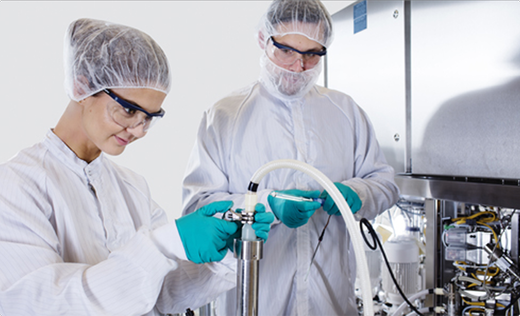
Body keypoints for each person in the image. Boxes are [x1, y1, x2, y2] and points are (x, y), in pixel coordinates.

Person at [0, 18, 273, 316]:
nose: (139, 130)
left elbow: (162, 295)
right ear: (82, 85)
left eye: (149, 117)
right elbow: (46, 306)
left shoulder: (132, 187)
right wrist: (165, 244)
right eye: (129, 110)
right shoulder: (15, 185)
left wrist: (225, 256)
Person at [181, 0, 400, 315]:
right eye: (286, 51)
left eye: (312, 54)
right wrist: (269, 204)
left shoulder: (345, 112)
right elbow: (198, 208)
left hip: (332, 303)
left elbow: (384, 183)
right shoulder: (225, 116)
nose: (299, 66)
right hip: (254, 301)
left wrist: (358, 193)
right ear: (263, 40)